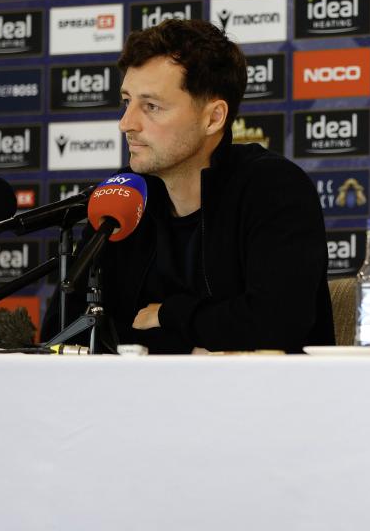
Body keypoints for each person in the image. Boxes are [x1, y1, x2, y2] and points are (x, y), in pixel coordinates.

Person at [43, 19, 334, 353]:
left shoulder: (274, 189)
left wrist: (169, 314)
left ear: (213, 118)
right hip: (134, 402)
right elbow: (62, 332)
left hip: (264, 402)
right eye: (127, 102)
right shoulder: (123, 196)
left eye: (151, 106)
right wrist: (193, 343)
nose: (126, 124)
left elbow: (275, 325)